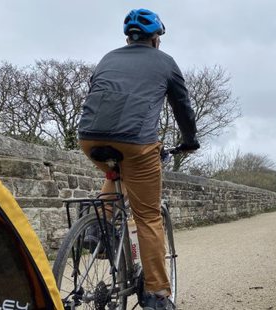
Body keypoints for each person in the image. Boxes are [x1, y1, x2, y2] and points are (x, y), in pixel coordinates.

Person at [77, 8, 199, 310]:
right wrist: (189, 142)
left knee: (115, 173)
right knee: (148, 217)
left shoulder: (108, 57)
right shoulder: (166, 63)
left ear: (128, 38)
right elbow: (182, 107)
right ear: (156, 39)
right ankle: (156, 294)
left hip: (89, 138)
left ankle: (97, 229)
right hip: (136, 142)